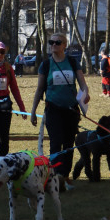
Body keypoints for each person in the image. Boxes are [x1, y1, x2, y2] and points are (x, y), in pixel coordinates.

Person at [30, 32, 90, 190]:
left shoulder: (72, 61)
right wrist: (33, 110)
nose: (53, 45)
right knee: (56, 144)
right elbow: (39, 89)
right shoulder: (46, 65)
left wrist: (86, 94)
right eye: (51, 42)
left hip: (71, 110)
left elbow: (83, 84)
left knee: (69, 144)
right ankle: (55, 177)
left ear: (64, 45)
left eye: (58, 42)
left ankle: (65, 175)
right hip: (53, 110)